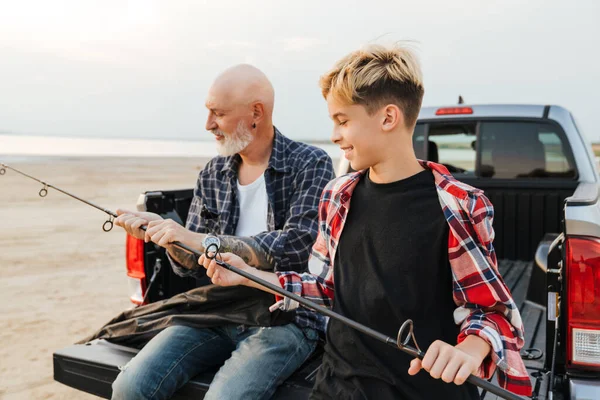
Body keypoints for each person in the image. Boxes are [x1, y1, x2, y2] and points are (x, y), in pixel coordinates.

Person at [199, 45, 533, 399]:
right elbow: (325, 290)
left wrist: (470, 350)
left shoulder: (459, 204)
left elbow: (493, 312)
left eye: (343, 121)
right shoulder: (337, 196)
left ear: (388, 118)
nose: (334, 134)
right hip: (337, 387)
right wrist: (247, 275)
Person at [111, 64, 335, 400]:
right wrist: (166, 236)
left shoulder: (311, 163)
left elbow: (296, 246)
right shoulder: (213, 172)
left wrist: (199, 240)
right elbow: (189, 262)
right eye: (208, 113)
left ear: (255, 113)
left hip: (286, 316)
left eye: (218, 113)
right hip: (216, 309)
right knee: (130, 387)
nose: (208, 125)